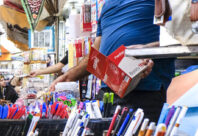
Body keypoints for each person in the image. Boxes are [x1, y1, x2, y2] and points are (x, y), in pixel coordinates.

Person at [31, 0, 174, 122]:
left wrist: (144, 50)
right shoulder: (107, 5)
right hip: (107, 94)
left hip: (146, 92)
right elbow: (96, 55)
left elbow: (182, 38)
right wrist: (69, 76)